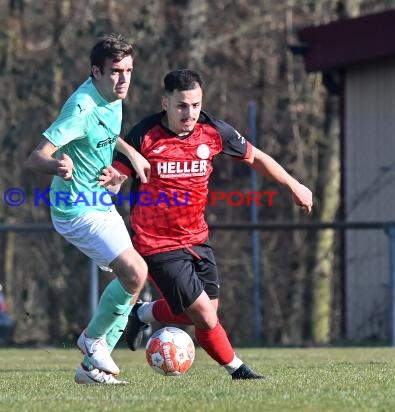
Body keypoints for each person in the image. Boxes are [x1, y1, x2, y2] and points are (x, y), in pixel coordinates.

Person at [111, 69, 313, 380]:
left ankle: (142, 313)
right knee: (204, 315)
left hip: (197, 238)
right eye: (181, 105)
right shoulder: (144, 134)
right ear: (165, 102)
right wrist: (112, 181)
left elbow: (256, 157)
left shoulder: (212, 130)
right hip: (156, 242)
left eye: (195, 105)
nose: (189, 113)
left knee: (202, 313)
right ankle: (238, 370)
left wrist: (293, 185)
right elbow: (118, 174)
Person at [24, 33, 150, 385]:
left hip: (98, 201)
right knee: (135, 272)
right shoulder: (81, 106)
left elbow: (105, 133)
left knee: (134, 280)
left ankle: (91, 370)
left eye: (128, 70)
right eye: (115, 71)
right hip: (73, 209)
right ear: (96, 72)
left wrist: (125, 158)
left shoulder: (113, 96)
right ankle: (92, 341)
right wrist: (57, 167)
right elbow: (35, 157)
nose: (123, 79)